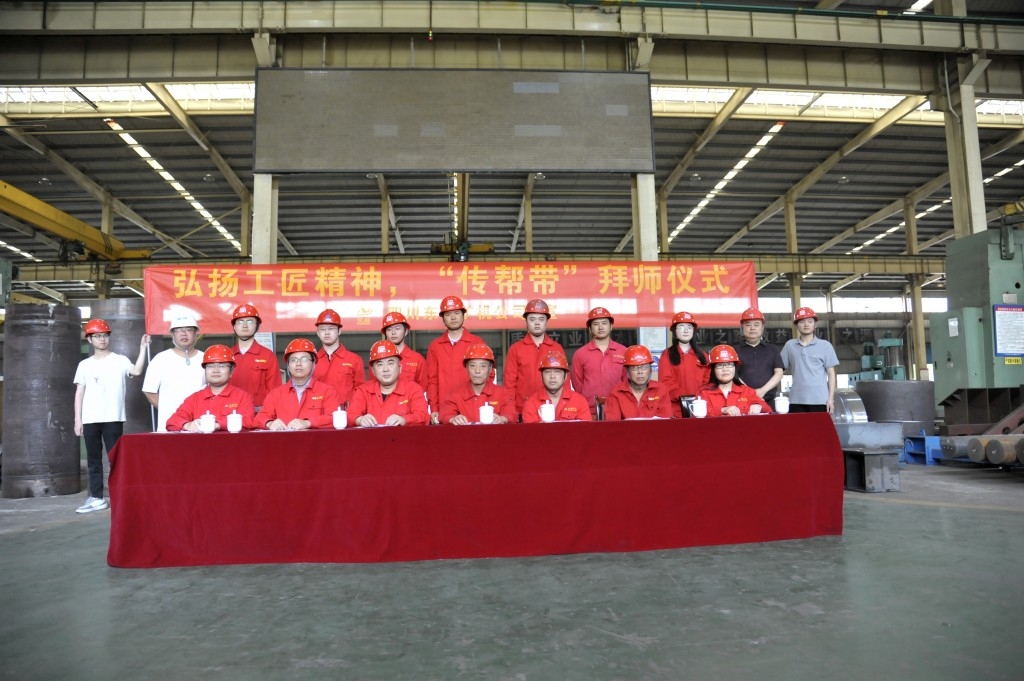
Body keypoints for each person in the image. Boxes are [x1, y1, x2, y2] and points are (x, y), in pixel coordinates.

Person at [72, 319, 150, 514]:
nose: (102, 339)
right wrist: (78, 419)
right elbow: (79, 393)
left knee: (116, 459)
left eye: (105, 335)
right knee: (93, 461)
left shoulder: (120, 360)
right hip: (90, 419)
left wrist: (142, 348)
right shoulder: (84, 365)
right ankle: (97, 498)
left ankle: (120, 495)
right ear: (89, 339)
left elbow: (136, 370)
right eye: (97, 336)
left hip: (113, 418)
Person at [425, 295, 490, 423]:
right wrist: (434, 408)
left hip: (472, 409)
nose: (453, 317)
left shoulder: (476, 342)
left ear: (463, 315)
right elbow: (432, 380)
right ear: (443, 318)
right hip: (445, 411)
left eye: (456, 313)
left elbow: (488, 375)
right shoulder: (435, 346)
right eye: (448, 314)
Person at [166, 345, 256, 432]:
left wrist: (217, 425)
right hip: (201, 443)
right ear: (205, 370)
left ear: (231, 371)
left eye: (222, 366)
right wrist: (187, 425)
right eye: (210, 366)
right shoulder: (194, 399)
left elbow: (247, 421)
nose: (215, 370)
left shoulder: (243, 397)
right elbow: (172, 421)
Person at [256, 338, 341, 430]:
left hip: (316, 439)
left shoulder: (327, 392)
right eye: (293, 360)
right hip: (285, 439)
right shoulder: (275, 394)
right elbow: (259, 418)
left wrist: (308, 423)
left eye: (304, 359)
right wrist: (269, 423)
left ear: (314, 364)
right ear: (288, 366)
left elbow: (335, 418)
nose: (298, 363)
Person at [142, 313, 206, 432]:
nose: (183, 333)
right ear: (172, 334)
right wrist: (168, 410)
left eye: (189, 330)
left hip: (200, 422)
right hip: (169, 424)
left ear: (196, 333)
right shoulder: (161, 359)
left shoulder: (206, 358)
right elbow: (149, 391)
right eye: (178, 330)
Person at [503, 299, 565, 419]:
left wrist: (563, 407)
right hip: (522, 410)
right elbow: (509, 384)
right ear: (526, 322)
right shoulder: (515, 349)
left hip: (552, 409)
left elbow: (564, 382)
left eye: (541, 319)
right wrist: (511, 412)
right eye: (532, 319)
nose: (537, 323)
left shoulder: (557, 349)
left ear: (547, 322)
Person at [347, 340, 430, 427]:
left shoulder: (413, 389)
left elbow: (424, 416)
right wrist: (359, 419)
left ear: (400, 367)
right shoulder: (364, 390)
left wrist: (404, 420)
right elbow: (349, 414)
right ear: (373, 371)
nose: (385, 369)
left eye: (390, 363)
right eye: (380, 364)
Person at [569, 306, 627, 418]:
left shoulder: (623, 351)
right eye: (596, 324)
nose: (600, 327)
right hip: (589, 411)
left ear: (611, 326)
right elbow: (577, 384)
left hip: (618, 409)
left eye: (604, 323)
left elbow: (626, 381)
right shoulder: (580, 354)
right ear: (590, 328)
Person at [781, 306, 839, 413]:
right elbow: (779, 370)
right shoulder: (790, 346)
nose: (806, 324)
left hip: (820, 400)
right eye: (802, 321)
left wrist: (830, 399)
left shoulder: (825, 346)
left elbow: (831, 374)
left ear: (815, 325)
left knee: (819, 425)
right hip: (796, 400)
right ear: (796, 325)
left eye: (810, 321)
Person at [440, 343, 516, 425]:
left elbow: (512, 414)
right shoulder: (455, 396)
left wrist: (502, 418)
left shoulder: (502, 393)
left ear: (490, 369)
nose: (477, 371)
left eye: (483, 366)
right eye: (473, 366)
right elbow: (444, 414)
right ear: (467, 367)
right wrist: (453, 419)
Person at [657, 311, 710, 419]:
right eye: (681, 326)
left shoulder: (703, 356)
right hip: (675, 410)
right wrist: (684, 397)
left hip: (699, 407)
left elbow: (708, 380)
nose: (686, 330)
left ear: (693, 331)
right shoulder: (667, 355)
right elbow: (665, 380)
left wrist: (698, 397)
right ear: (675, 331)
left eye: (689, 327)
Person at [227, 303, 280, 408]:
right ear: (234, 327)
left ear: (257, 326)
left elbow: (275, 392)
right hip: (230, 413)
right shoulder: (226, 356)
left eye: (250, 321)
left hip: (258, 414)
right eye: (240, 322)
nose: (245, 325)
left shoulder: (268, 356)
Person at [696, 345, 772, 417]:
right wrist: (723, 410)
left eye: (729, 364)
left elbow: (769, 410)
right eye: (720, 365)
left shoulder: (746, 391)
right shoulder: (703, 392)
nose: (725, 369)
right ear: (713, 369)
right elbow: (699, 415)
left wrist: (759, 406)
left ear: (735, 368)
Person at [311, 309, 366, 407]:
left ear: (339, 331)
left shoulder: (354, 360)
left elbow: (360, 392)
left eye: (331, 328)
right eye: (323, 329)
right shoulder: (312, 361)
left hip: (345, 413)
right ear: (318, 333)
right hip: (318, 412)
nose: (327, 332)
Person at [604, 345, 673, 420]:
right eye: (634, 368)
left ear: (650, 370)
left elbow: (666, 423)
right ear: (627, 371)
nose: (640, 372)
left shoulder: (661, 390)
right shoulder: (616, 393)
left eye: (644, 367)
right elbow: (612, 424)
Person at [521, 351, 592, 423]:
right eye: (547, 372)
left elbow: (585, 429)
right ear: (541, 376)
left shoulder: (580, 401)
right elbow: (530, 430)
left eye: (557, 372)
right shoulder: (531, 403)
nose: (552, 376)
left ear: (565, 376)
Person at [735, 307, 785, 405]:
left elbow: (779, 373)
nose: (752, 328)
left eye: (756, 324)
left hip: (769, 401)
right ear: (742, 327)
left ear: (762, 327)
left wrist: (762, 391)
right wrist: (750, 393)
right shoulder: (734, 350)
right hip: (742, 401)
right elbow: (733, 374)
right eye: (748, 325)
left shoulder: (772, 349)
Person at [380, 311, 426, 386]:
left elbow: (423, 388)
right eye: (389, 329)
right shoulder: (379, 359)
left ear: (406, 331)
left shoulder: (418, 360)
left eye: (397, 328)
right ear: (385, 333)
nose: (393, 333)